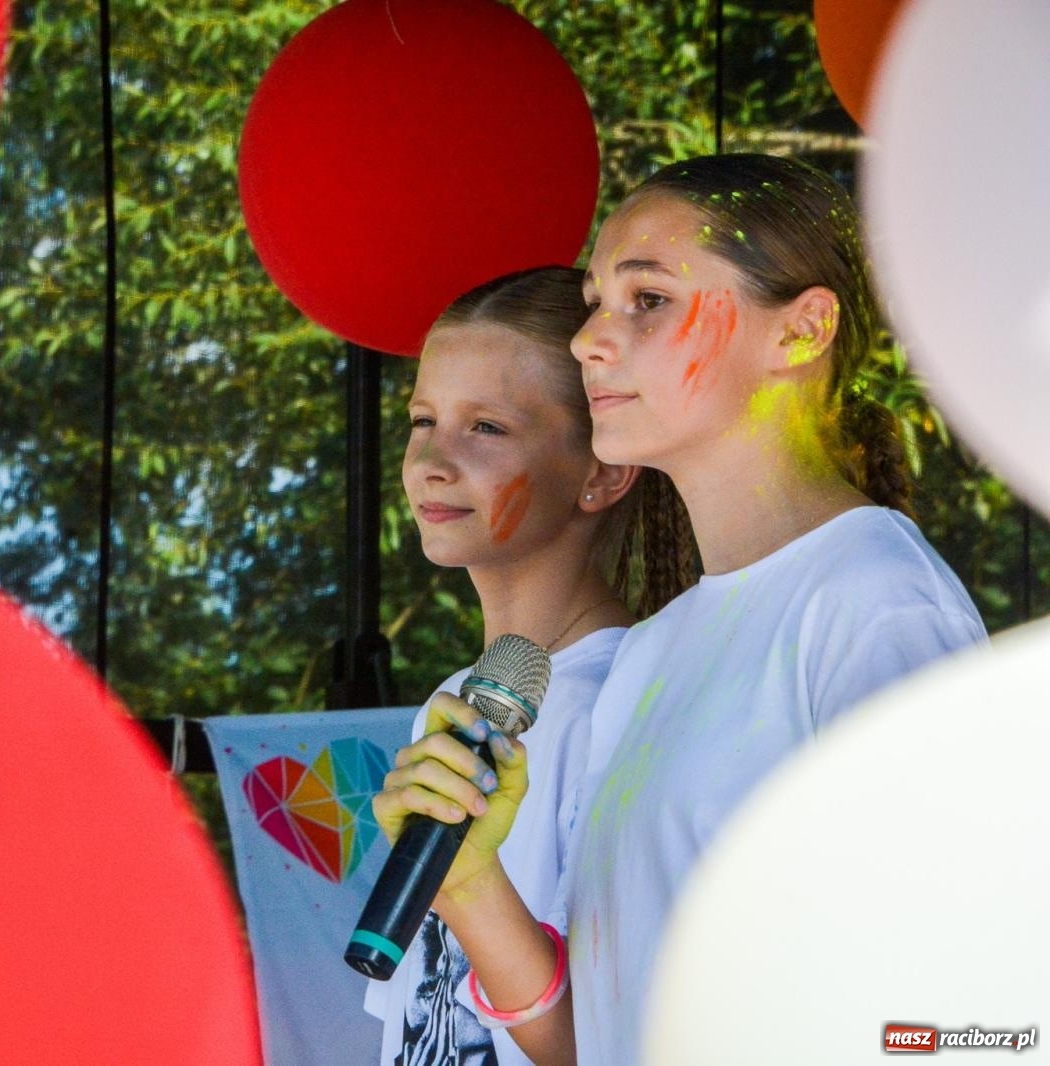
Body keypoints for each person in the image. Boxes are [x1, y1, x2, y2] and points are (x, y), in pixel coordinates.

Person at [376, 153, 988, 1066]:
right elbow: (594, 1041)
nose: (590, 340)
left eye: (647, 300)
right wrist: (468, 884)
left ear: (800, 331)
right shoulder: (655, 651)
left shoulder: (874, 602)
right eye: (593, 303)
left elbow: (963, 1021)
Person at [364, 267, 694, 1066]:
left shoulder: (630, 700)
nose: (431, 461)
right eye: (421, 420)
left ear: (602, 472)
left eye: (487, 429)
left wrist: (475, 893)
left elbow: (618, 1044)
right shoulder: (453, 704)